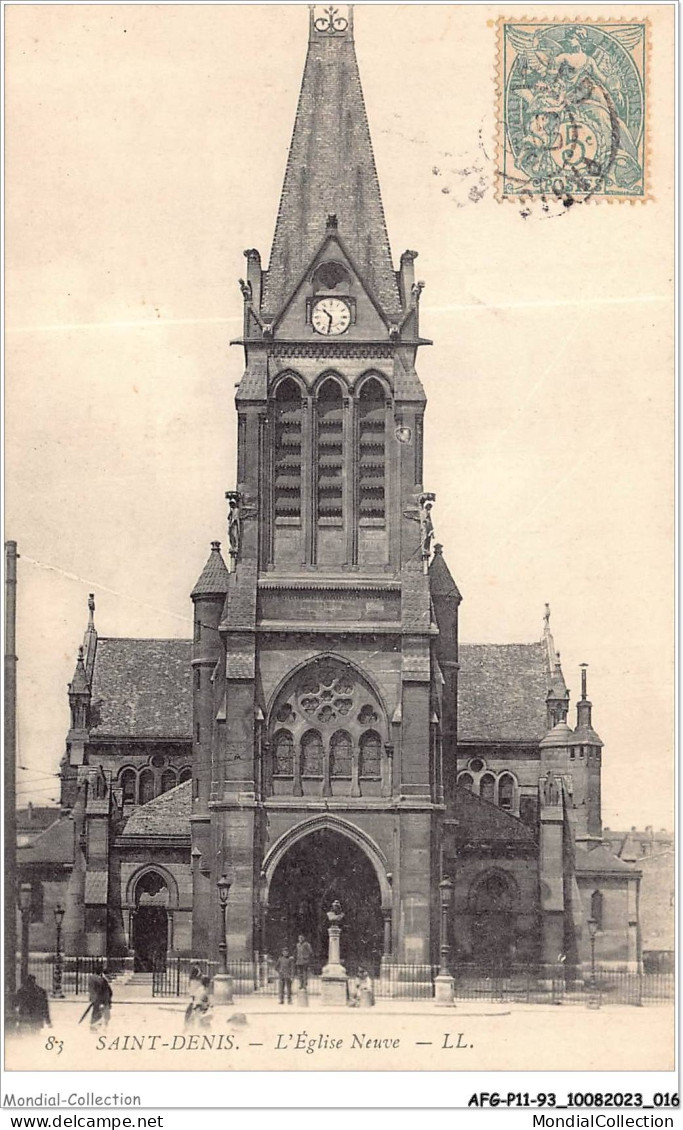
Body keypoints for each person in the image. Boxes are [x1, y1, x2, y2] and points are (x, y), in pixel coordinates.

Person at [88, 963, 113, 1029]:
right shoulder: (101, 980)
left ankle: (96, 1027)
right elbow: (107, 991)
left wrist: (92, 999)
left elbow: (92, 990)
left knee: (98, 1013)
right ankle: (98, 1027)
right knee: (100, 1014)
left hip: (99, 1000)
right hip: (102, 1000)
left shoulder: (93, 978)